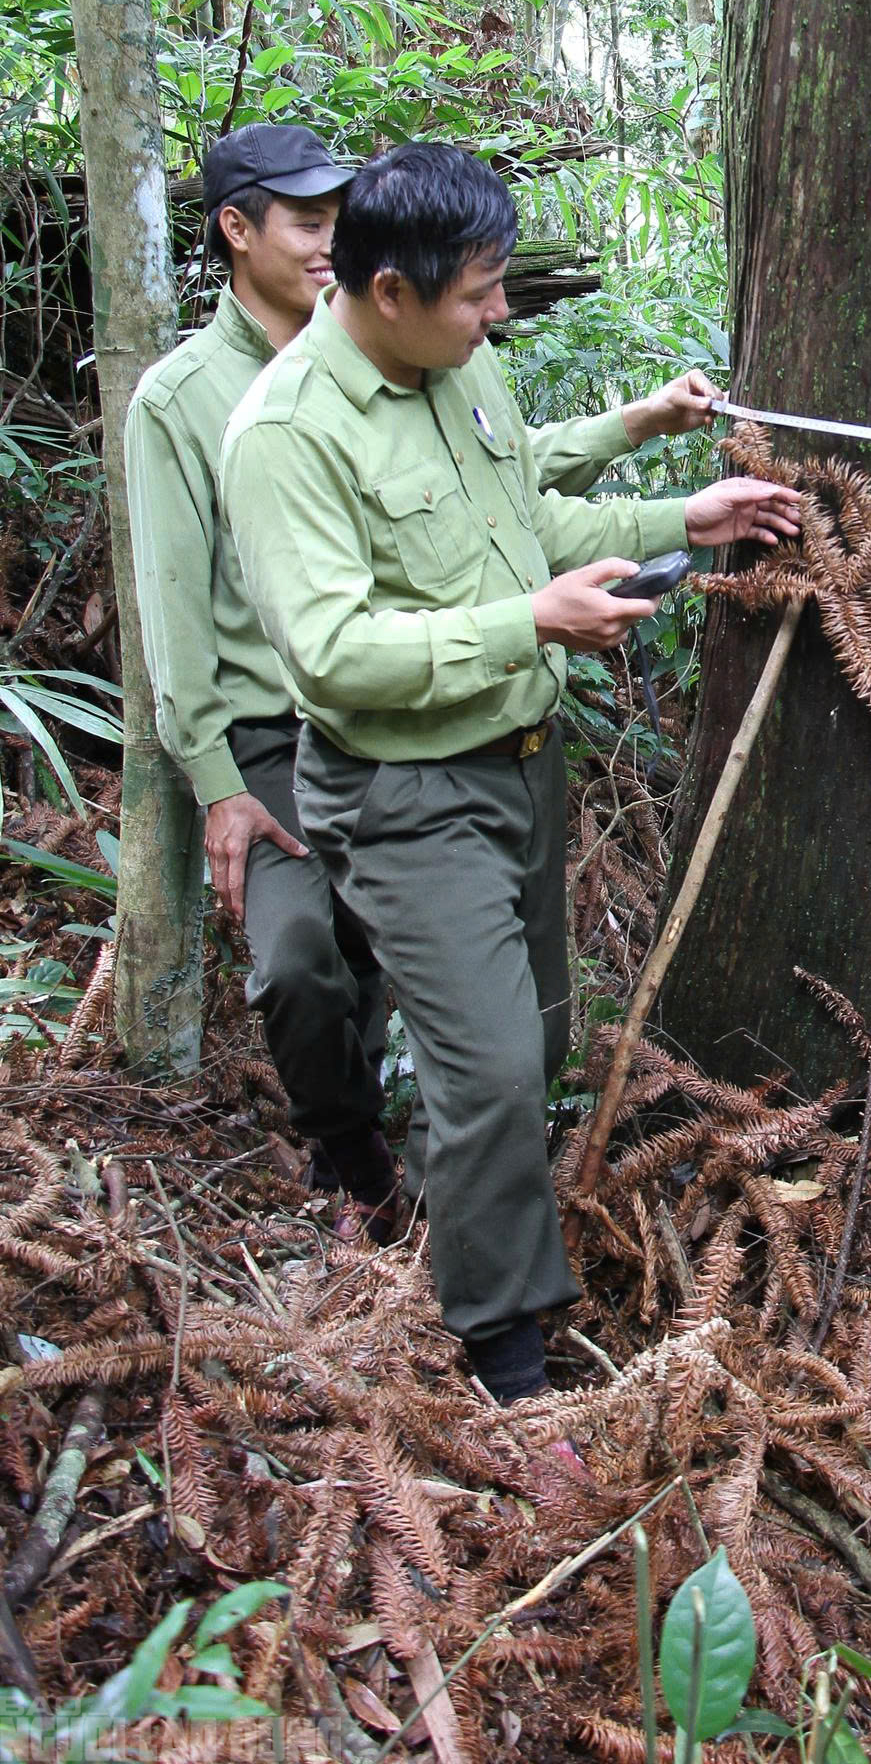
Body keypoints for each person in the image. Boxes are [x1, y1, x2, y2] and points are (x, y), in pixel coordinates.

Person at [222, 141, 800, 1401]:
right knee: (488, 1067)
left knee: (532, 1040)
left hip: (521, 768)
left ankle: (452, 1212)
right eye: (477, 292)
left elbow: (521, 521)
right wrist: (530, 620)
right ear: (388, 291)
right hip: (404, 794)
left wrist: (678, 519)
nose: (497, 313)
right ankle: (508, 1362)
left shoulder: (457, 364)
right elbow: (330, 654)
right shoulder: (287, 435)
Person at [126, 120, 722, 1241]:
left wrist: (663, 484)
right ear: (238, 230)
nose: (328, 238)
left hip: (459, 717)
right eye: (307, 220)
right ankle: (357, 1164)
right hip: (288, 730)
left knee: (497, 1021)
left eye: (338, 216)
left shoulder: (434, 347)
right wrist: (216, 781)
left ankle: (447, 1185)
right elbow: (187, 610)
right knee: (305, 963)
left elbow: (505, 493)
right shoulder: (207, 405)